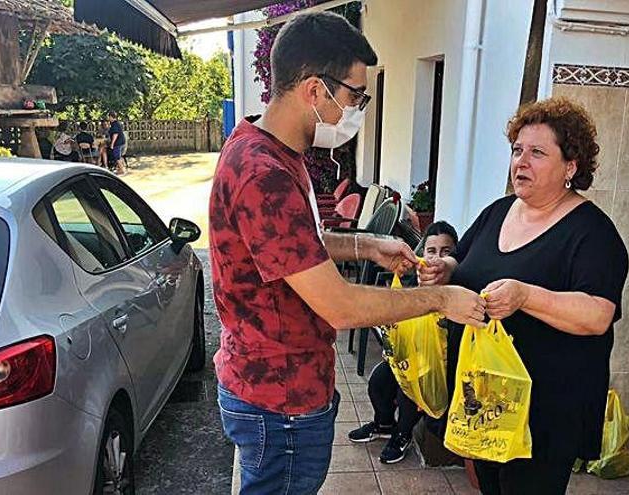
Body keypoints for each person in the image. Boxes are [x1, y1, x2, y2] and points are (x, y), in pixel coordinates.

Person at [208, 12, 486, 495]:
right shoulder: (263, 174)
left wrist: (366, 246)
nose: (358, 109)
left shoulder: (275, 151)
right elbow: (340, 305)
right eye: (355, 95)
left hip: (284, 385)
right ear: (315, 90)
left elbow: (288, 248)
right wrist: (442, 300)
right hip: (279, 401)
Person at [419, 97, 629, 494]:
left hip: (546, 413)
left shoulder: (593, 234)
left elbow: (598, 314)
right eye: (517, 150)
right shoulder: (498, 212)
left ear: (571, 166)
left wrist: (525, 295)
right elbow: (465, 264)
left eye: (537, 152)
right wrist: (444, 270)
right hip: (486, 402)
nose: (521, 162)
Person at [348, 221, 459, 464]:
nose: (436, 258)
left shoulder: (458, 291)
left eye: (446, 252)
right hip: (406, 358)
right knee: (377, 382)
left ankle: (402, 434)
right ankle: (384, 424)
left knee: (408, 391)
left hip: (436, 365)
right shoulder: (413, 283)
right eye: (431, 251)